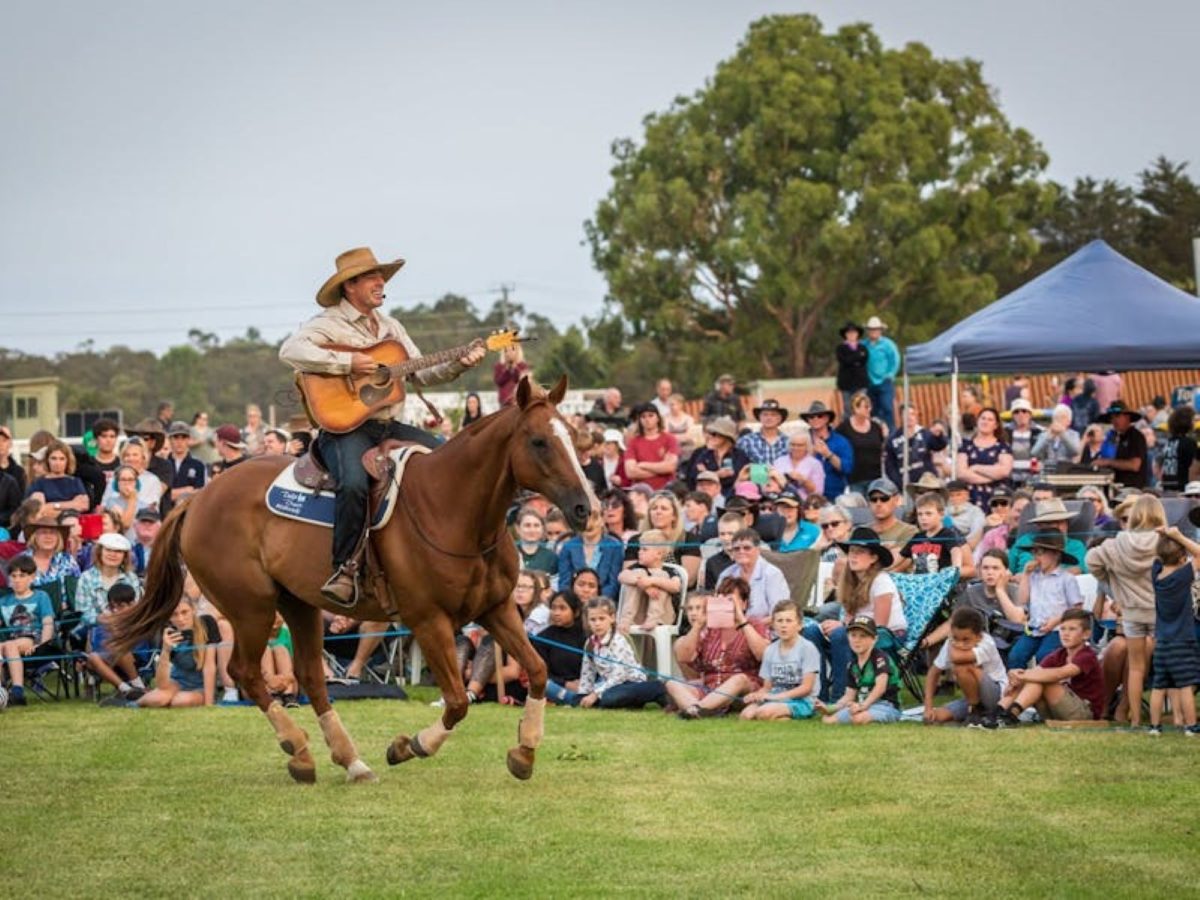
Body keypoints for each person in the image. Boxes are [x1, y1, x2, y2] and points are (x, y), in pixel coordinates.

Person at [279, 247, 486, 605]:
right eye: (373, 278)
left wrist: (460, 364)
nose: (381, 284)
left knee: (447, 460)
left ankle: (433, 555)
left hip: (388, 427)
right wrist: (346, 363)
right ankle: (344, 569)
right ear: (350, 286)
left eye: (381, 278)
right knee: (355, 485)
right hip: (343, 429)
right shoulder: (327, 323)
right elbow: (290, 351)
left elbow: (420, 371)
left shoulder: (392, 327)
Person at [1085, 494, 1163, 727]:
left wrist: (1116, 587)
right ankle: (1115, 706)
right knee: (1123, 650)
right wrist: (1112, 585)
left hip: (1132, 613)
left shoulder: (1117, 544)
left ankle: (1133, 716)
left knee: (1136, 664)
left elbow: (1091, 560)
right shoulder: (1166, 541)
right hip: (1157, 614)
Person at [803, 527, 902, 702]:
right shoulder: (850, 581)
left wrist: (844, 626)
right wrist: (838, 625)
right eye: (851, 551)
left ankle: (840, 697)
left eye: (860, 552)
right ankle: (819, 695)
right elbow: (848, 618)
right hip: (856, 632)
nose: (853, 556)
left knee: (841, 634)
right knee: (811, 632)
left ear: (873, 557)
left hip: (887, 637)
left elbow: (880, 626)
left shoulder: (881, 581)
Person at [667, 579, 770, 717]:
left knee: (739, 679)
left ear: (744, 604)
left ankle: (696, 709)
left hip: (744, 691)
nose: (725, 605)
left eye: (730, 600)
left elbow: (763, 654)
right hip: (711, 687)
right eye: (720, 600)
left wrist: (741, 619)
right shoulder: (709, 628)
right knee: (672, 684)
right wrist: (698, 625)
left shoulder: (755, 625)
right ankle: (702, 710)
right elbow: (683, 657)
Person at [549, 597, 666, 709]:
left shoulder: (617, 640)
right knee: (588, 698)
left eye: (601, 619)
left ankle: (657, 688)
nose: (597, 624)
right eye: (593, 620)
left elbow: (619, 675)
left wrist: (595, 695)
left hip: (628, 683)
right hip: (609, 686)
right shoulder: (590, 643)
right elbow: (587, 673)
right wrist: (583, 695)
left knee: (609, 698)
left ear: (612, 618)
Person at [995, 608, 1103, 725]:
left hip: (1083, 713)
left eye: (1072, 629)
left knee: (1042, 679)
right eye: (1062, 629)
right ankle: (998, 713)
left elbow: (1060, 673)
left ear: (1086, 634)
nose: (1065, 633)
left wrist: (1022, 676)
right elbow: (1036, 672)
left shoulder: (1087, 655)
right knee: (1033, 677)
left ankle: (1011, 715)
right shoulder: (1059, 654)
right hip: (1056, 709)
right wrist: (1016, 676)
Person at [1146, 527, 1200, 736]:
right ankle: (1190, 725)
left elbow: (1159, 557)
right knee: (1185, 685)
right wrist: (1178, 536)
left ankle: (1154, 727)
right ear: (1181, 558)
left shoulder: (1156, 575)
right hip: (1183, 641)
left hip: (1162, 642)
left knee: (1159, 686)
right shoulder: (1183, 576)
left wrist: (1163, 537)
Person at [1006, 531, 1084, 669]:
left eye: (1040, 553)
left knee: (1045, 657)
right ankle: (1019, 687)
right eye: (1034, 553)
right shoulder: (1033, 576)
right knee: (1015, 656)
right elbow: (1023, 599)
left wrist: (1056, 621)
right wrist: (1025, 574)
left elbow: (1076, 608)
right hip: (1035, 628)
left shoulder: (1066, 579)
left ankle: (1043, 687)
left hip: (1057, 629)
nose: (1036, 557)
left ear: (1056, 555)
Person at [922, 607, 1007, 727]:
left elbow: (957, 658)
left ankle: (975, 711)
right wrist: (928, 706)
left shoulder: (987, 643)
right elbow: (934, 672)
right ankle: (975, 710)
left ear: (979, 636)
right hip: (973, 697)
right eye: (956, 638)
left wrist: (952, 642)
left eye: (966, 640)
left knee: (962, 667)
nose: (960, 644)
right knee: (936, 717)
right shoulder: (951, 642)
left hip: (996, 695)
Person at [738, 600, 820, 721]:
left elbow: (806, 688)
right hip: (775, 697)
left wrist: (777, 697)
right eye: (779, 621)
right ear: (773, 625)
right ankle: (779, 717)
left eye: (789, 621)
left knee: (763, 713)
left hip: (801, 700)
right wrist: (757, 695)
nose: (783, 625)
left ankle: (789, 717)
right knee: (746, 716)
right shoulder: (770, 650)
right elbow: (767, 687)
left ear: (799, 625)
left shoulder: (807, 648)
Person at [818, 615, 902, 725]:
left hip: (886, 705)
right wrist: (830, 708)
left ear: (874, 639)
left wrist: (862, 706)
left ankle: (875, 720)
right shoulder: (852, 665)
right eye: (853, 635)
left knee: (858, 718)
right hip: (863, 705)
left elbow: (880, 687)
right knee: (828, 720)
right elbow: (849, 696)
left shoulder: (880, 658)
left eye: (863, 636)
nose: (857, 640)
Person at [138, 595, 219, 708]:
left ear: (193, 609)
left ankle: (170, 700)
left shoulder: (207, 623)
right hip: (176, 682)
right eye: (174, 614)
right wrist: (166, 650)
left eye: (184, 612)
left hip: (200, 686)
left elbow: (209, 666)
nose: (180, 619)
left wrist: (209, 704)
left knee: (180, 701)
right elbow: (161, 684)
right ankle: (136, 700)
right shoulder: (169, 633)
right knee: (158, 699)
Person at [0, 555, 58, 706]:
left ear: (32, 577)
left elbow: (48, 623)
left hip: (34, 640)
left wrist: (42, 644)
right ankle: (2, 691)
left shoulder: (41, 597)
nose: (17, 580)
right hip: (12, 642)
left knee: (9, 645)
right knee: (6, 646)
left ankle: (18, 692)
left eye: (22, 576)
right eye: (14, 576)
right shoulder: (4, 601)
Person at [715, 528, 790, 620]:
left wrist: (748, 627)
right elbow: (718, 611)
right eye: (736, 549)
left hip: (765, 630)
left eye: (747, 548)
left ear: (758, 549)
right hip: (731, 629)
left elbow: (780, 614)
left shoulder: (772, 574)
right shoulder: (726, 574)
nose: (741, 552)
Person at [616, 529, 681, 633]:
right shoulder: (637, 568)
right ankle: (626, 619)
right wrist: (642, 584)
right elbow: (621, 576)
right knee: (637, 574)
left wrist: (652, 581)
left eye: (644, 549)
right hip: (637, 616)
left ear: (659, 554)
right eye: (640, 549)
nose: (639, 552)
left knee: (661, 576)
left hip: (663, 617)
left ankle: (653, 618)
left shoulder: (669, 571)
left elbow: (676, 586)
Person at [1008, 498, 1088, 576]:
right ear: (1039, 525)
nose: (1058, 527)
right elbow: (1007, 570)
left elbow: (1078, 570)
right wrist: (1015, 578)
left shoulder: (1076, 545)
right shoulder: (1024, 541)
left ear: (1067, 524)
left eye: (1061, 522)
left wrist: (1038, 577)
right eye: (1051, 523)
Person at [557, 508, 624, 601]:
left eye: (594, 518)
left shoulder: (615, 546)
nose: (589, 524)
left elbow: (613, 584)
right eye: (583, 518)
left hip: (603, 603)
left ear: (603, 519)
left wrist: (596, 602)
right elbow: (564, 583)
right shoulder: (568, 546)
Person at [898, 491, 969, 576]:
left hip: (939, 581)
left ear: (941, 514)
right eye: (920, 514)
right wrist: (887, 569)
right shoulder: (917, 537)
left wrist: (955, 569)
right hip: (920, 581)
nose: (923, 518)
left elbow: (956, 551)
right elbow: (900, 557)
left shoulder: (948, 534)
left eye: (928, 514)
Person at [536, 590, 587, 702]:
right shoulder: (543, 637)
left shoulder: (587, 636)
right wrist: (565, 684)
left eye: (562, 608)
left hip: (586, 685)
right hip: (559, 687)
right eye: (553, 608)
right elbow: (543, 673)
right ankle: (575, 700)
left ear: (576, 612)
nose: (556, 613)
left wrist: (583, 684)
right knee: (546, 685)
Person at [956, 407, 1013, 509]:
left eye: (990, 419)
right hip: (971, 497)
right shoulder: (965, 446)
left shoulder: (1003, 447)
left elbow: (1004, 471)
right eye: (983, 418)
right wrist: (992, 476)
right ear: (977, 421)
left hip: (997, 499)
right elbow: (961, 473)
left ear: (996, 425)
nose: (985, 422)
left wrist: (976, 468)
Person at [883, 405, 947, 488]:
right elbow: (890, 466)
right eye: (906, 415)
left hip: (928, 482)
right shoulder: (893, 439)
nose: (910, 417)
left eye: (912, 414)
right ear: (901, 417)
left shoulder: (924, 433)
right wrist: (899, 483)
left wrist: (939, 436)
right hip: (907, 486)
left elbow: (939, 446)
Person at [799, 401, 853, 499]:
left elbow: (847, 468)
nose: (815, 419)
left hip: (834, 495)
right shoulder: (801, 440)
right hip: (807, 495)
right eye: (811, 417)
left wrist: (828, 454)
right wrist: (812, 455)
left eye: (819, 416)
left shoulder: (841, 441)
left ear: (827, 418)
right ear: (808, 420)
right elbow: (795, 468)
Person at [836, 391, 887, 494]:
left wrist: (885, 437)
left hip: (875, 478)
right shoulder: (844, 428)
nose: (869, 409)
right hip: (855, 479)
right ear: (855, 408)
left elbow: (882, 448)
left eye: (870, 406)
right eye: (866, 407)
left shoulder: (876, 427)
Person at [1091, 401, 1148, 490]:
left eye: (1117, 416)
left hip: (1132, 489)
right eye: (1112, 418)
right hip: (1117, 487)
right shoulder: (1116, 438)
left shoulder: (1136, 437)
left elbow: (1134, 465)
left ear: (1127, 417)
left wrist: (1107, 462)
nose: (1114, 420)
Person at [624, 403, 679, 491]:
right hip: (641, 493)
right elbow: (630, 472)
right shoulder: (633, 442)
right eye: (643, 416)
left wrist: (643, 465)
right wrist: (661, 470)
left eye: (651, 416)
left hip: (665, 491)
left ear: (658, 418)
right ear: (640, 420)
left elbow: (670, 466)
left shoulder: (669, 439)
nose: (647, 419)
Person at [686, 417, 746, 499]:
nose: (710, 436)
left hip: (733, 499)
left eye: (714, 434)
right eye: (710, 433)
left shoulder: (739, 455)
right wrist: (717, 474)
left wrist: (707, 473)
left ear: (726, 437)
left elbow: (740, 477)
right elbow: (693, 477)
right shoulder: (704, 454)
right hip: (706, 499)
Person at [26, 439, 90, 514]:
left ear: (67, 461)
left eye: (62, 459)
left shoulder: (75, 482)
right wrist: (72, 504)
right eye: (53, 458)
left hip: (71, 521)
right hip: (46, 523)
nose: (57, 463)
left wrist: (52, 505)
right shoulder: (39, 483)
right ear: (47, 460)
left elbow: (83, 505)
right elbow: (39, 510)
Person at [768, 424, 824, 500]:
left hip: (804, 503)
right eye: (793, 444)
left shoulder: (815, 464)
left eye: (800, 445)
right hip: (781, 502)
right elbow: (770, 487)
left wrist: (803, 480)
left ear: (807, 446)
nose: (795, 448)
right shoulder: (779, 461)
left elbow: (818, 493)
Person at [862, 315, 899, 428]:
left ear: (880, 330)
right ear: (868, 331)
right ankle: (876, 435)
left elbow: (895, 360)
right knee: (872, 410)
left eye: (876, 329)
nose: (874, 332)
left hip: (884, 381)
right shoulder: (864, 345)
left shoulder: (888, 344)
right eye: (871, 329)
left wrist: (890, 374)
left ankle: (891, 435)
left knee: (887, 408)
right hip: (869, 382)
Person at [865, 477, 916, 555]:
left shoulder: (909, 531)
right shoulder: (860, 531)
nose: (878, 504)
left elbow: (899, 561)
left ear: (896, 500)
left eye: (884, 498)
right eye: (873, 499)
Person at [1155, 405, 1197, 493]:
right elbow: (1194, 467)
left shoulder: (1168, 442)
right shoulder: (1188, 443)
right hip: (1183, 488)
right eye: (1193, 420)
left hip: (1167, 486)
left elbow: (1157, 464)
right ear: (1187, 422)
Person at [737, 399, 789, 465]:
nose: (769, 418)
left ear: (779, 419)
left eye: (773, 415)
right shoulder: (746, 441)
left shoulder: (788, 442)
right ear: (759, 417)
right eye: (765, 414)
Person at [165, 421, 206, 503]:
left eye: (183, 437)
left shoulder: (198, 465)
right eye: (176, 437)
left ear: (189, 440)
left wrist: (173, 493)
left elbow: (199, 494)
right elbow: (159, 495)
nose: (179, 442)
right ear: (170, 439)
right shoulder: (163, 464)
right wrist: (186, 490)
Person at [834, 322, 869, 419]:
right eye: (849, 332)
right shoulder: (840, 348)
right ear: (845, 334)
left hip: (861, 382)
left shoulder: (863, 348)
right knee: (848, 408)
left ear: (858, 334)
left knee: (861, 405)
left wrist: (851, 359)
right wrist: (857, 357)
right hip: (846, 383)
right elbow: (844, 361)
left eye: (854, 332)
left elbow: (864, 360)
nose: (852, 334)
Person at [1005, 399, 1043, 487]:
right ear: (1012, 415)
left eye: (1024, 411)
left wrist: (1042, 465)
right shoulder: (1004, 432)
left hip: (1034, 478)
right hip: (1010, 478)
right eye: (1016, 412)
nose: (1020, 414)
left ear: (1030, 414)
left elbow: (1048, 455)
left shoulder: (1041, 432)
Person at [1031, 404, 1081, 469]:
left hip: (1066, 470)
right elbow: (1034, 453)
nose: (1059, 420)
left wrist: (1062, 434)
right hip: (1047, 469)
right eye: (1056, 417)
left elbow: (1075, 452)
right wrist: (1049, 436)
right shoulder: (1044, 435)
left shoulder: (1074, 435)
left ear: (1069, 422)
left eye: (1062, 417)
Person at [514, 507, 558, 575]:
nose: (532, 530)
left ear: (543, 529)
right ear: (518, 528)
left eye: (536, 526)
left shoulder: (551, 557)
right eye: (527, 525)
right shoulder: (510, 551)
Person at [0, 425, 27, 496]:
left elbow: (22, 500)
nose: (0, 444)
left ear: (10, 443)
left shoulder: (19, 472)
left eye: (4, 440)